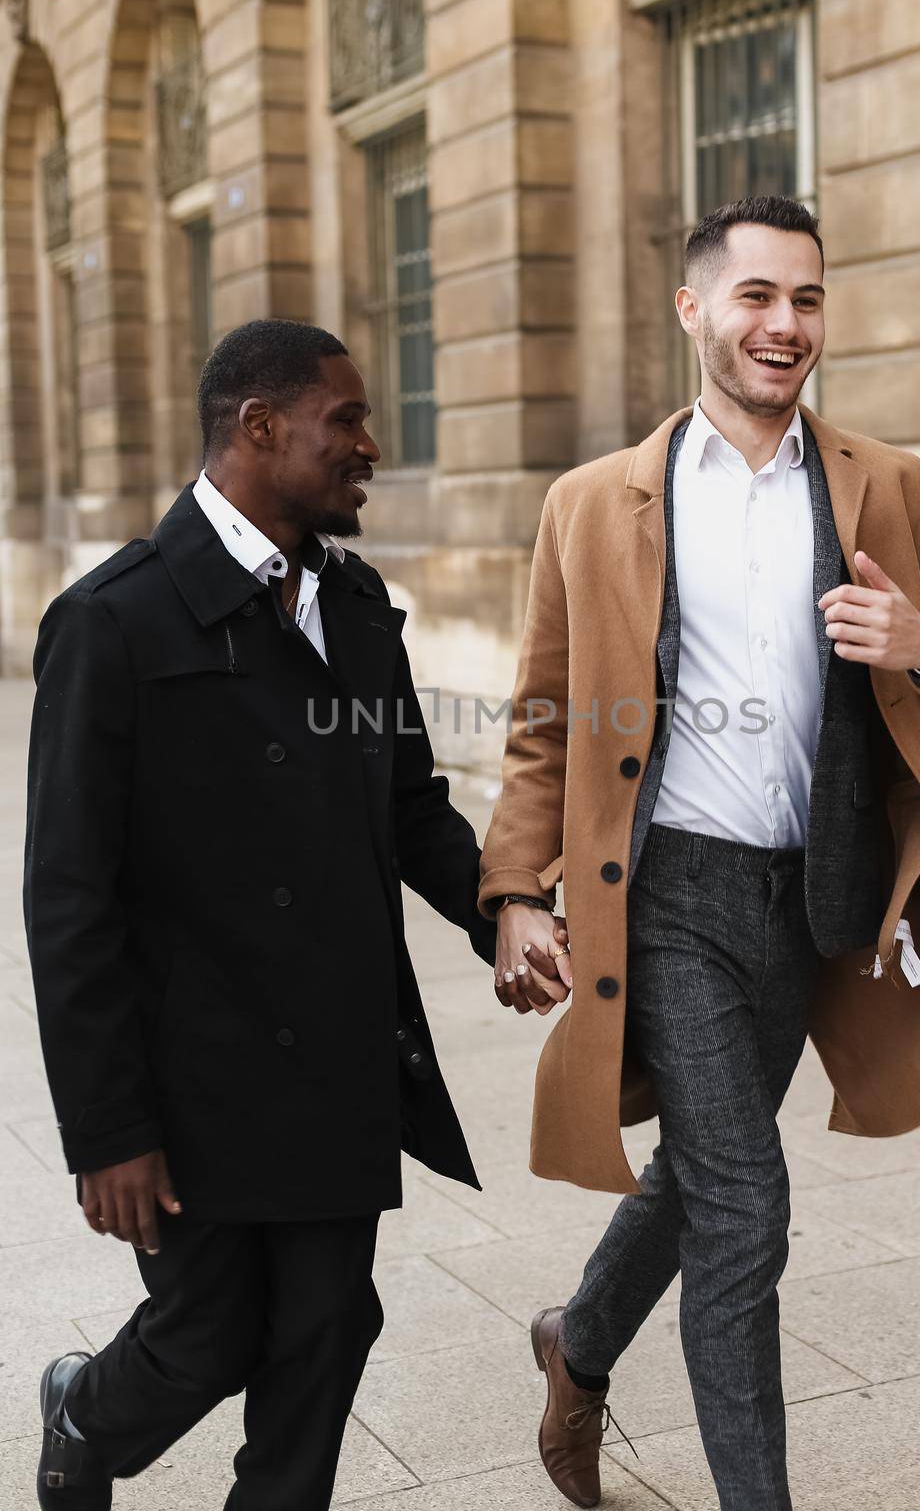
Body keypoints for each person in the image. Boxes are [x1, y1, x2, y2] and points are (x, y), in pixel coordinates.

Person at [479, 196, 920, 1511]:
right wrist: (515, 889)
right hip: (670, 893)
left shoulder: (888, 489)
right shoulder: (591, 505)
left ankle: (575, 1346)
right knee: (744, 1207)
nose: (781, 324)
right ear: (692, 311)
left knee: (700, 1168)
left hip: (819, 895)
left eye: (803, 299)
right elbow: (541, 720)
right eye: (752, 297)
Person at [26, 319, 504, 1510]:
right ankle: (86, 1411)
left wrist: (509, 909)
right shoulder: (114, 622)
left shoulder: (354, 602)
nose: (369, 445)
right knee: (209, 1334)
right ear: (258, 427)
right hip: (191, 1076)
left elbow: (410, 806)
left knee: (326, 1329)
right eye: (344, 420)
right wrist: (105, 1127)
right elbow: (68, 901)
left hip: (340, 1052)